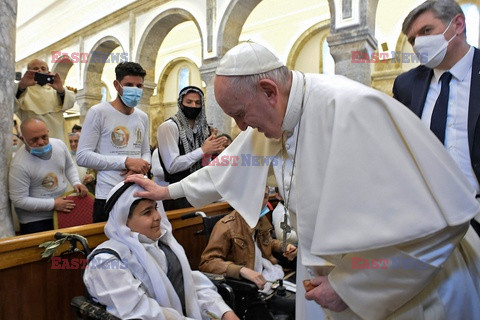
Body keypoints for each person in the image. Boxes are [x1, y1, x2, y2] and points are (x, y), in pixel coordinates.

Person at [127, 41, 480, 320]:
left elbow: (437, 229)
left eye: (239, 114)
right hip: (325, 278)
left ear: (268, 90)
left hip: (405, 292)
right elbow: (227, 168)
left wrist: (350, 287)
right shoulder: (275, 115)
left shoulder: (353, 110)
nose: (241, 127)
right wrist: (166, 190)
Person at [83, 180, 239, 320]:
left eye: (155, 208)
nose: (157, 216)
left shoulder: (164, 246)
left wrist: (223, 312)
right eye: (147, 212)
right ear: (124, 221)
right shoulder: (105, 262)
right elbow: (140, 313)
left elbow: (191, 287)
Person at [393, 0, 480, 237]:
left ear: (458, 24)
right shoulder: (406, 85)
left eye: (426, 31)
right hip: (430, 219)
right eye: (412, 40)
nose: (418, 43)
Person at [76, 62, 151, 222]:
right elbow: (82, 156)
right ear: (117, 85)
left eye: (139, 86)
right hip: (108, 194)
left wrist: (141, 167)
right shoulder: (99, 112)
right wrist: (126, 162)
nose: (135, 90)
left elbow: (145, 151)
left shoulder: (142, 116)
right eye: (129, 85)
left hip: (137, 190)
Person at [199, 186, 297, 289]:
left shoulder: (260, 219)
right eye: (256, 196)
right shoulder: (226, 226)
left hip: (267, 273)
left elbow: (268, 242)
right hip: (245, 285)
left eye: (264, 196)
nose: (260, 201)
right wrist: (240, 270)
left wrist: (285, 246)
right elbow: (207, 263)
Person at [9, 118, 88, 234]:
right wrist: (53, 204)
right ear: (23, 139)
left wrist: (76, 182)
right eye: (34, 140)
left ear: (48, 132)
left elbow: (69, 166)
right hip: (35, 221)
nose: (41, 142)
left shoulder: (59, 145)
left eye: (44, 137)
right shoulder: (19, 165)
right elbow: (19, 200)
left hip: (61, 211)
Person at [156, 86, 227, 210]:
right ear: (181, 103)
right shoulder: (169, 127)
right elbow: (172, 166)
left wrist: (214, 152)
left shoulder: (203, 130)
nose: (193, 106)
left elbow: (204, 164)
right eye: (189, 102)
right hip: (177, 194)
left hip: (200, 190)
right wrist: (203, 150)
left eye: (198, 103)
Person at [14, 59, 75, 141]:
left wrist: (61, 90)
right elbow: (11, 107)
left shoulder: (56, 90)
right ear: (28, 72)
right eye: (35, 68)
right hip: (32, 140)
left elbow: (70, 103)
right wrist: (21, 87)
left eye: (43, 68)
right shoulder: (23, 89)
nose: (39, 70)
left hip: (56, 137)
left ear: (48, 72)